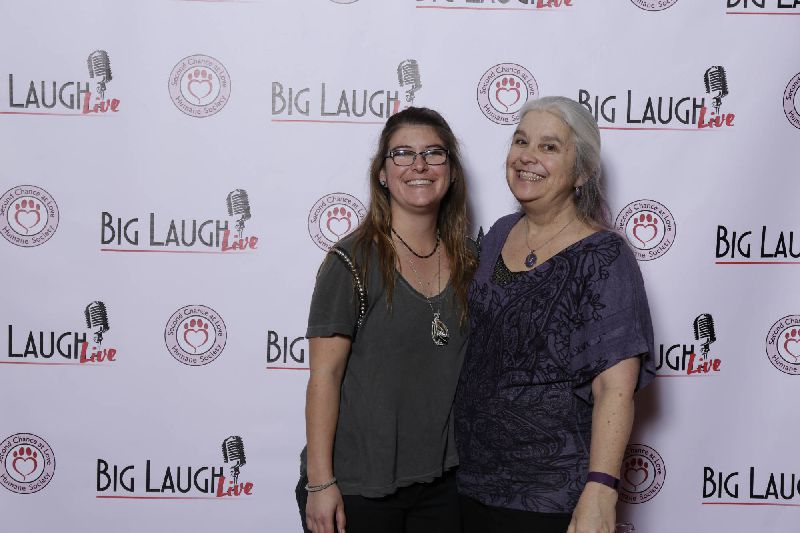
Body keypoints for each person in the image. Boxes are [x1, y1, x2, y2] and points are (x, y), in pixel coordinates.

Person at [454, 96, 656, 533]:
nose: (527, 156)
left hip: (548, 493)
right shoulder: (498, 235)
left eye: (549, 147)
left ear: (581, 172)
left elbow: (615, 388)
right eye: (521, 141)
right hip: (469, 482)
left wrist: (601, 488)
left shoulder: (604, 256)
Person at [299, 107, 476, 533]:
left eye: (433, 153)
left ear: (451, 172)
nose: (419, 165)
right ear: (382, 173)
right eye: (403, 153)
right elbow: (324, 376)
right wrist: (320, 483)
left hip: (442, 483)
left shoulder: (472, 261)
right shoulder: (351, 262)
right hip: (359, 484)